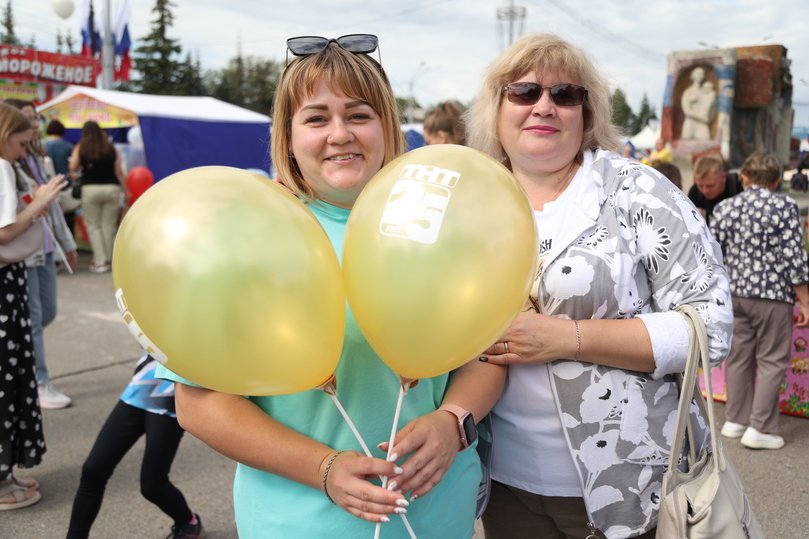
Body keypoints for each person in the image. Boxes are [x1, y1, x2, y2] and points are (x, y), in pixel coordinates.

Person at [158, 35, 505, 538]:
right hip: (300, 520)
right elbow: (200, 404)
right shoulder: (240, 236)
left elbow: (489, 351)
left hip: (437, 514)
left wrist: (453, 420)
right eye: (316, 118)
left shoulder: (447, 223)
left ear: (386, 124)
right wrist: (324, 468)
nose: (339, 134)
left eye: (359, 115)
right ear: (289, 134)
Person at [465, 33, 733, 538]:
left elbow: (711, 324)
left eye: (566, 94)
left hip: (636, 488)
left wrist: (568, 339)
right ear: (496, 109)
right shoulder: (467, 199)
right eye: (524, 92)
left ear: (586, 114)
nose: (544, 106)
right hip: (504, 486)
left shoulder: (639, 191)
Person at [710, 152, 809, 450]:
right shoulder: (785, 206)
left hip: (734, 294)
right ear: (776, 181)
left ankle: (735, 419)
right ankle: (761, 427)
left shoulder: (724, 207)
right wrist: (804, 299)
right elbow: (794, 256)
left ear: (744, 178)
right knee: (771, 360)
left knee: (739, 357)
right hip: (772, 296)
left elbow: (713, 253)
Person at [0, 102, 66, 510]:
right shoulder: (3, 167)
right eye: (22, 143)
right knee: (8, 378)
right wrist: (37, 204)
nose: (25, 152)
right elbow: (6, 232)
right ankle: (3, 481)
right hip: (4, 289)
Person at [66, 353, 205, 538]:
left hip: (173, 395)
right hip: (142, 386)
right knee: (93, 470)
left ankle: (188, 523)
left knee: (153, 485)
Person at [6, 99, 78, 410]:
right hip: (22, 253)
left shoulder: (37, 158)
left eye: (36, 118)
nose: (35, 124)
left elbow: (52, 210)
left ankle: (28, 368)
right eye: (27, 119)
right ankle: (38, 381)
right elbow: (9, 224)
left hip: (43, 247)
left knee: (43, 314)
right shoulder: (7, 163)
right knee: (32, 319)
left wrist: (67, 242)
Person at [69, 120, 126, 273]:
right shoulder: (111, 148)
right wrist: (126, 191)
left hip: (90, 189)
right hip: (112, 188)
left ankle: (100, 262)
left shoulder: (81, 147)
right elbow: (118, 171)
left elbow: (72, 167)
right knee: (109, 226)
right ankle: (110, 259)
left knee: (93, 226)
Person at [44, 118, 79, 231]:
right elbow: (74, 167)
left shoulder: (42, 145)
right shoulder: (68, 146)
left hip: (47, 187)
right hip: (65, 185)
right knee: (68, 219)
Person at [687, 154, 743, 225]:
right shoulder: (695, 193)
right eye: (700, 186)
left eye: (710, 186)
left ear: (723, 178)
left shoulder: (738, 187)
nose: (705, 191)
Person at [680, 66, 716, 141]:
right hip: (691, 123)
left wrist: (712, 100)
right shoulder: (688, 92)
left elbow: (711, 111)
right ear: (693, 76)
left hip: (702, 125)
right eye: (698, 74)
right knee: (686, 145)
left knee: (706, 144)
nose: (701, 76)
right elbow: (687, 111)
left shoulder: (707, 92)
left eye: (702, 74)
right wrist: (702, 118)